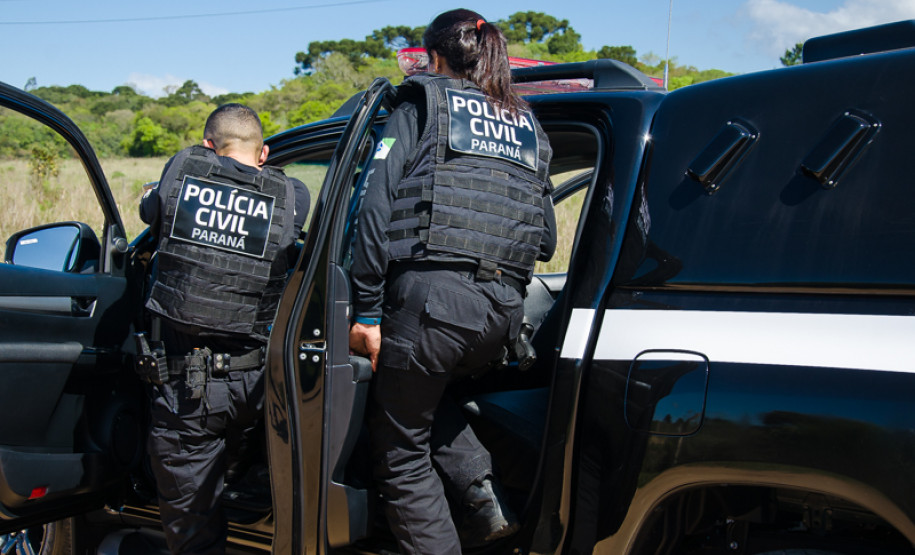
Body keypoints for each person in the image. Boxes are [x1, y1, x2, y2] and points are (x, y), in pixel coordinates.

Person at [348, 9, 556, 554]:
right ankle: (479, 489)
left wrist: (367, 312)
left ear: (434, 58)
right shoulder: (527, 124)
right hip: (501, 317)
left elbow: (372, 212)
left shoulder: (422, 103)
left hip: (433, 306)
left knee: (398, 447)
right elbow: (547, 239)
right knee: (419, 393)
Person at [138, 103, 309, 555]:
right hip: (257, 389)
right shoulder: (293, 196)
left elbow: (153, 214)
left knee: (193, 530)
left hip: (188, 393)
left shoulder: (183, 172)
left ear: (207, 147)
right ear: (265, 152)